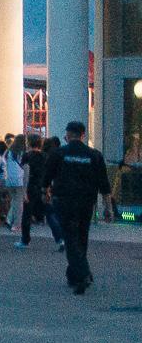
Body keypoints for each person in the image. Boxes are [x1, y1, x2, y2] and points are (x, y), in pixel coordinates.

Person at [48, 121, 110, 295]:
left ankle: (82, 273)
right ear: (83, 135)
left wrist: (45, 192)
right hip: (86, 202)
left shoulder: (59, 153)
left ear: (67, 135)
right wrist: (108, 207)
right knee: (82, 235)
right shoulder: (94, 155)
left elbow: (47, 177)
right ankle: (74, 273)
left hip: (65, 201)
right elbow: (104, 183)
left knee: (70, 237)